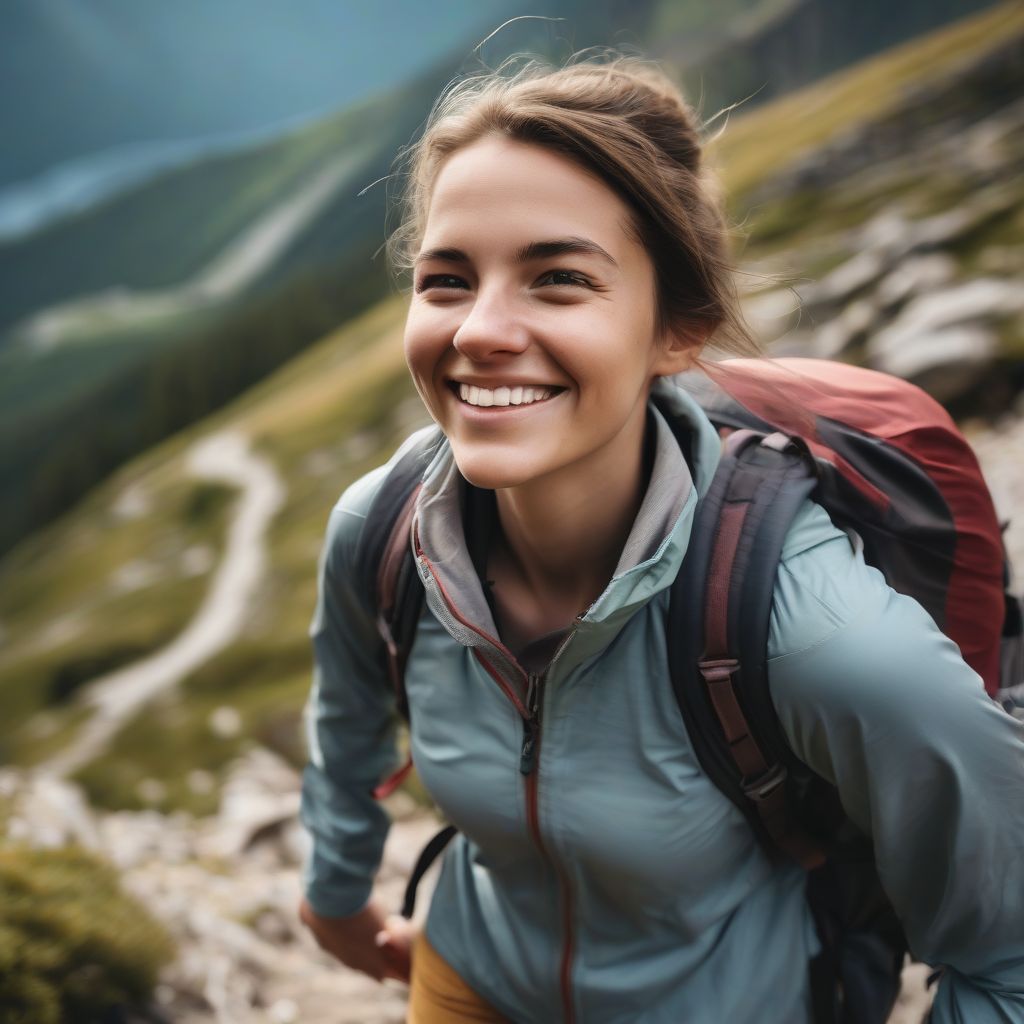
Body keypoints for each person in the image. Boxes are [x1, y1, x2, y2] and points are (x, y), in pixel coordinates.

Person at [297, 55, 1024, 1023]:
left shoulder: (823, 638)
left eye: (558, 279)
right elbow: (347, 719)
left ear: (676, 330)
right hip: (467, 976)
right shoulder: (379, 533)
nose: (479, 329)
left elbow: (1007, 958)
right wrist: (335, 892)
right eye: (446, 279)